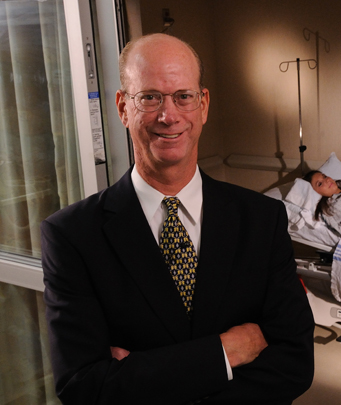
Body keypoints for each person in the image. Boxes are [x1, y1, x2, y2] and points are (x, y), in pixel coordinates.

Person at [41, 33, 314, 405]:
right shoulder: (71, 235)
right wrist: (225, 352)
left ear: (203, 105)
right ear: (123, 108)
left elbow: (294, 363)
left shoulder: (262, 219)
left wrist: (145, 375)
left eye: (183, 96)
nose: (168, 116)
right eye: (149, 97)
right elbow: (85, 387)